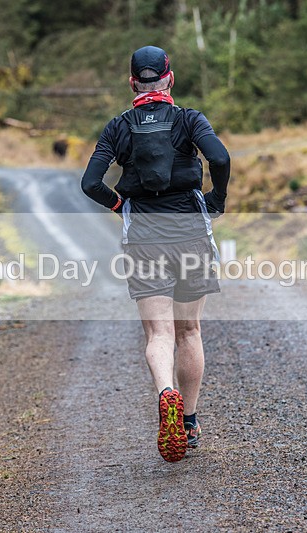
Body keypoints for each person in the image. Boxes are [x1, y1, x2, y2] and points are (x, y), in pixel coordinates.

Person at [81, 45, 230, 462]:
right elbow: (218, 156)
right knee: (189, 331)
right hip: (190, 231)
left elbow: (90, 183)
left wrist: (119, 206)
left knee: (159, 334)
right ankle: (189, 421)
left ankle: (166, 392)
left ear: (132, 83)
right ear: (170, 79)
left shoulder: (119, 127)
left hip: (143, 234)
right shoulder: (189, 119)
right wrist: (216, 197)